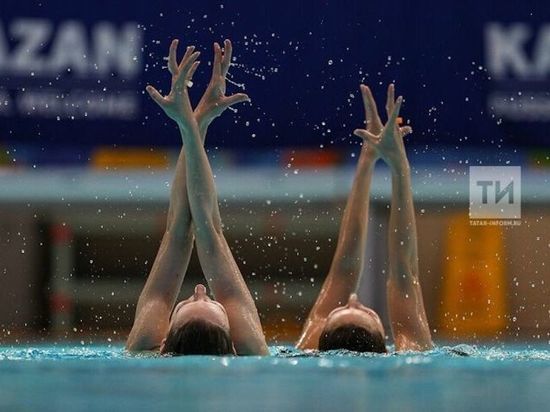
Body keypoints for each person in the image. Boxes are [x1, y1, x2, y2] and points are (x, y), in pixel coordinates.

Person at [126, 39, 268, 356]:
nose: (200, 289)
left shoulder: (144, 346)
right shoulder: (251, 352)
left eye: (188, 301)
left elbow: (182, 229)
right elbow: (203, 229)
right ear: (235, 342)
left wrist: (194, 122)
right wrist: (192, 122)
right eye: (211, 301)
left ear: (163, 343)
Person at [296, 84, 433, 352]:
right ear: (384, 339)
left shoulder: (309, 351)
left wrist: (374, 158)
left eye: (343, 307)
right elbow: (403, 271)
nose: (354, 298)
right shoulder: (409, 355)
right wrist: (398, 166)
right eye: (364, 311)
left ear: (319, 337)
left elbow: (349, 267)